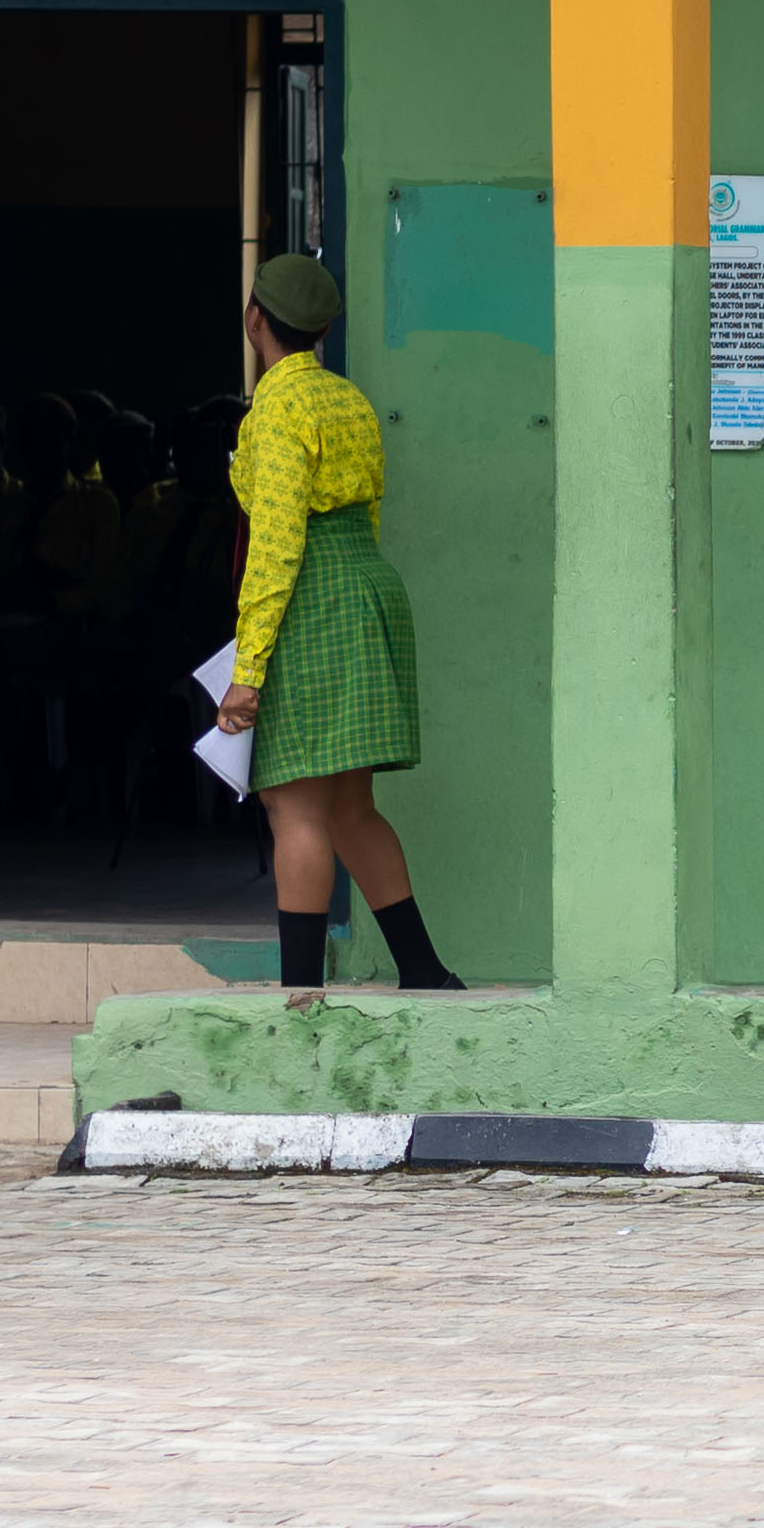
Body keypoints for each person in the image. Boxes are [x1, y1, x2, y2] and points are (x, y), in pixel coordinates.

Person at [213, 248, 460, 992]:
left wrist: (246, 673)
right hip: (365, 586)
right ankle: (422, 971)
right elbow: (370, 511)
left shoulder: (278, 409)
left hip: (309, 598)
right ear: (319, 330)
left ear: (257, 319)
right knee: (352, 806)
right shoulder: (347, 399)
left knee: (292, 806)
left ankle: (299, 995)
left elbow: (277, 543)